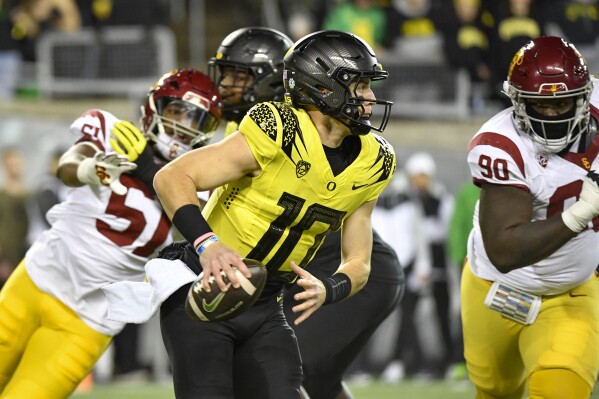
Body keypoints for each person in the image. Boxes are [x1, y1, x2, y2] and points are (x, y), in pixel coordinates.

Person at [104, 29, 396, 398]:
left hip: (266, 305)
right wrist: (207, 244)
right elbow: (172, 177)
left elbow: (359, 262)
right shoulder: (278, 127)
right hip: (204, 290)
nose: (370, 98)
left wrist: (330, 287)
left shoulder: (376, 160)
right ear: (323, 89)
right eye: (360, 86)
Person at [207, 26, 404, 399]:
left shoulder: (305, 129)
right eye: (228, 75)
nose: (226, 86)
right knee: (316, 383)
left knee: (276, 377)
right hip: (302, 279)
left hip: (341, 275)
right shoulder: (255, 129)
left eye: (239, 76)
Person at [0, 68, 222, 398]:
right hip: (36, 279)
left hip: (87, 322)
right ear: (154, 109)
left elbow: (194, 226)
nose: (183, 127)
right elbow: (69, 164)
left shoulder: (202, 181)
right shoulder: (116, 134)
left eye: (196, 121)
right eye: (177, 111)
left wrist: (151, 171)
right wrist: (89, 168)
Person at [463, 36, 599, 398]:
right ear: (517, 101)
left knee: (561, 385)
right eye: (540, 105)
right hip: (493, 285)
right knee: (494, 390)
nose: (552, 114)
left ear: (585, 95)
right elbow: (504, 251)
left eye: (562, 103)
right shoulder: (500, 144)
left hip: (571, 292)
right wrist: (582, 213)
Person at [0, 147, 30, 289]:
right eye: (11, 165)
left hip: (25, 255)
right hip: (6, 256)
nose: (15, 168)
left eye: (17, 164)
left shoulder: (30, 195)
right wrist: (2, 260)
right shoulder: (2, 196)